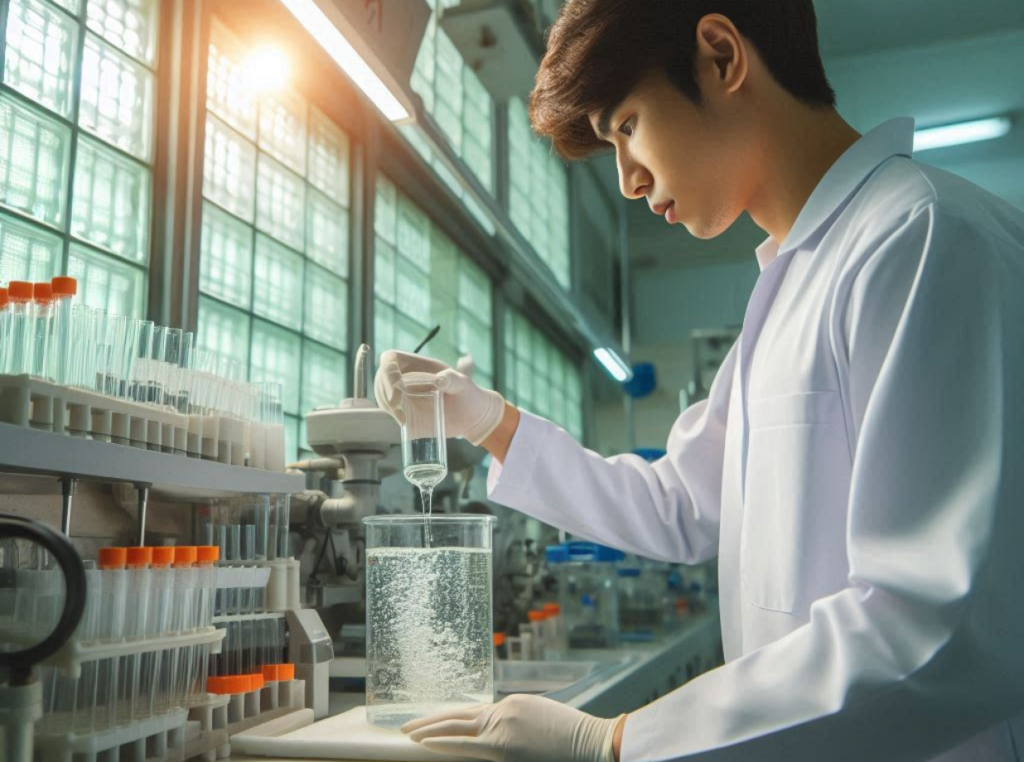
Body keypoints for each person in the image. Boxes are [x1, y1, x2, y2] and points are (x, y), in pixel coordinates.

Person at [374, 0, 1024, 759]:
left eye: (625, 126)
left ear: (721, 56)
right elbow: (680, 503)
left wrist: (618, 740)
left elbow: (936, 623)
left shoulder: (921, 242)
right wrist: (489, 420)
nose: (625, 180)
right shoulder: (787, 291)